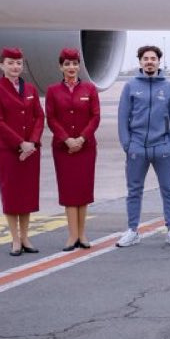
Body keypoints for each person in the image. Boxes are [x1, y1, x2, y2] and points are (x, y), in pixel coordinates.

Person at [116, 45, 170, 247]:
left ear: (159, 61)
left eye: (153, 58)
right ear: (140, 62)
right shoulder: (130, 86)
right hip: (137, 147)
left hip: (162, 147)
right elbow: (123, 118)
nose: (149, 62)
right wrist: (128, 145)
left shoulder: (169, 88)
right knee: (134, 190)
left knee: (168, 189)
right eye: (145, 58)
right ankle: (132, 231)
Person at [0, 48, 45, 256]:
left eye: (19, 63)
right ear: (1, 65)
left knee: (27, 194)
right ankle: (15, 240)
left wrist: (33, 142)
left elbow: (39, 116)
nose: (15, 67)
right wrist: (21, 143)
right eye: (11, 63)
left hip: (30, 149)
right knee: (12, 195)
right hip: (8, 150)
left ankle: (25, 236)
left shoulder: (29, 88)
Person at [45, 48, 100, 251]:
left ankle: (82, 234)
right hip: (63, 148)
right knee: (69, 190)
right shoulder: (53, 91)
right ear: (61, 67)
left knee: (83, 190)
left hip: (85, 148)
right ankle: (72, 235)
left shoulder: (89, 89)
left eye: (75, 63)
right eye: (67, 64)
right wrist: (67, 139)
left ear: (79, 65)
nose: (71, 67)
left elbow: (95, 117)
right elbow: (51, 118)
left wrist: (82, 138)